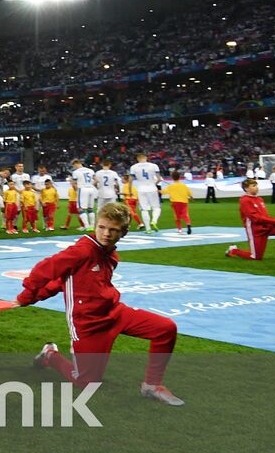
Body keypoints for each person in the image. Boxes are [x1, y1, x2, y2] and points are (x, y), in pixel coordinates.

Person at [17, 202, 183, 406]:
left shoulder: (110, 253)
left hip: (114, 313)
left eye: (113, 230)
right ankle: (50, 355)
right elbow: (45, 270)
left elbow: (63, 282)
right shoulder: (83, 250)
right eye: (102, 227)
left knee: (165, 328)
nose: (106, 234)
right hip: (88, 324)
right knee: (87, 382)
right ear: (95, 225)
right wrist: (27, 296)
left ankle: (151, 386)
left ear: (123, 232)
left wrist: (36, 295)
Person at [128, 153, 161, 232]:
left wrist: (130, 191)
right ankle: (154, 221)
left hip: (141, 189)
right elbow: (159, 179)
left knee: (144, 209)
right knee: (156, 207)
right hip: (152, 188)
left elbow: (130, 181)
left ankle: (148, 229)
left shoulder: (134, 167)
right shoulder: (154, 166)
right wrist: (154, 184)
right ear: (146, 158)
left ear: (137, 159)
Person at [70, 159, 96, 229]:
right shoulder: (90, 170)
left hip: (82, 189)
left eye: (73, 166)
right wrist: (90, 185)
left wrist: (76, 191)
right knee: (90, 208)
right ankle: (92, 226)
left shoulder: (76, 172)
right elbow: (96, 180)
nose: (73, 167)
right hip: (91, 189)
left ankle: (87, 226)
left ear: (75, 164)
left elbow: (74, 183)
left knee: (80, 209)